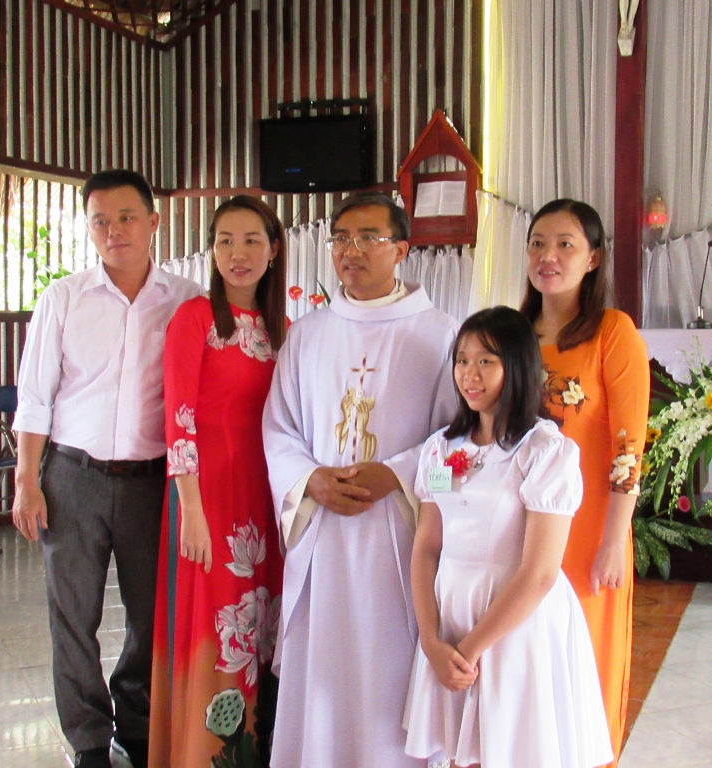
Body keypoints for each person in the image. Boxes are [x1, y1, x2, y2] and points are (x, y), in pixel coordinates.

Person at [12, 169, 202, 768]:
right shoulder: (64, 298)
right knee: (73, 616)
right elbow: (35, 397)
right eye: (100, 221)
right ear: (89, 229)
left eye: (126, 218)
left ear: (153, 222)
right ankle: (89, 738)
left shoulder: (188, 300)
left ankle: (137, 723)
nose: (114, 231)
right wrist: (26, 480)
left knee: (151, 615)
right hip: (72, 478)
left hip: (152, 482)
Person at [262, 192, 459, 768]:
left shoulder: (441, 335)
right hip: (322, 533)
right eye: (342, 238)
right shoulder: (307, 334)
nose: (352, 250)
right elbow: (278, 428)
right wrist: (310, 480)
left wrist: (396, 475)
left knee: (387, 672)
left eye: (369, 237)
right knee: (324, 676)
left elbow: (459, 440)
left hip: (398, 540)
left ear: (401, 250)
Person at [404, 306, 613, 768]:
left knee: (512, 747)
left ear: (517, 365)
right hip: (451, 614)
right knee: (458, 752)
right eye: (462, 360)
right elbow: (427, 546)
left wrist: (469, 650)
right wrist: (432, 641)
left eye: (486, 361)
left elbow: (539, 572)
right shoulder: (440, 449)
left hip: (514, 618)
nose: (470, 374)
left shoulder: (543, 450)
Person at [148, 196, 286, 767]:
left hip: (267, 496)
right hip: (206, 500)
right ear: (211, 250)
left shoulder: (285, 330)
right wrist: (192, 511)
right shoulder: (195, 319)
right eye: (225, 240)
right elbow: (178, 419)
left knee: (264, 626)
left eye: (251, 240)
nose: (238, 253)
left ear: (273, 250)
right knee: (214, 624)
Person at [520, 199, 650, 766]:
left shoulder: (611, 333)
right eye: (538, 243)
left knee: (583, 660)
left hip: (588, 529)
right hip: (521, 529)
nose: (548, 256)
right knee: (525, 662)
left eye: (565, 244)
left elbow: (628, 450)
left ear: (593, 258)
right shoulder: (513, 334)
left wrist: (613, 540)